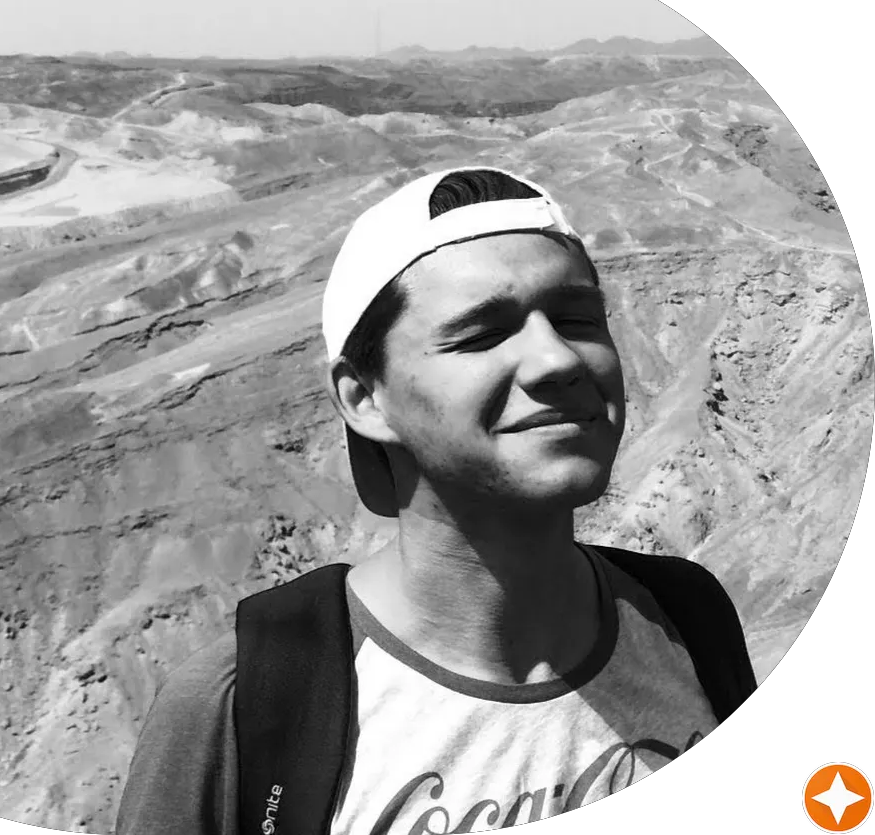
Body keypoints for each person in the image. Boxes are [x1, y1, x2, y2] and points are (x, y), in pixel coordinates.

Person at [116, 166, 755, 834]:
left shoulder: (686, 619)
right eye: (481, 335)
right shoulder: (248, 708)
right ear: (365, 399)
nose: (558, 360)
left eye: (577, 319)